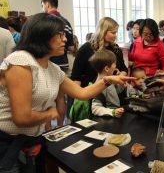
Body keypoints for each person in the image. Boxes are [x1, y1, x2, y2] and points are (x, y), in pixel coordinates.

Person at [0, 13, 133, 172]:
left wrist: (107, 80)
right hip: (7, 144)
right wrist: (50, 113)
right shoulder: (21, 62)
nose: (65, 39)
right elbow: (22, 117)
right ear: (42, 35)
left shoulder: (52, 68)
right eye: (60, 34)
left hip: (29, 140)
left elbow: (82, 93)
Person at [71, 17, 128, 88]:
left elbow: (124, 69)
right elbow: (76, 77)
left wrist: (120, 76)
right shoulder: (86, 49)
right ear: (103, 31)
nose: (115, 36)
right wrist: (79, 96)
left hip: (114, 92)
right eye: (113, 33)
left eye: (116, 32)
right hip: (91, 91)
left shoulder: (116, 48)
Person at [41, 0, 74, 72]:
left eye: (42, 5)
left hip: (48, 64)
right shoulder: (66, 22)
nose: (42, 9)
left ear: (47, 4)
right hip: (63, 63)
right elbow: (71, 47)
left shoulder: (43, 21)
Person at [90, 49, 125, 118]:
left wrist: (122, 84)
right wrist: (112, 112)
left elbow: (114, 93)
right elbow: (95, 108)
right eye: (114, 64)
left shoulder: (109, 79)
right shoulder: (100, 85)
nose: (116, 66)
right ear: (107, 69)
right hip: (107, 118)